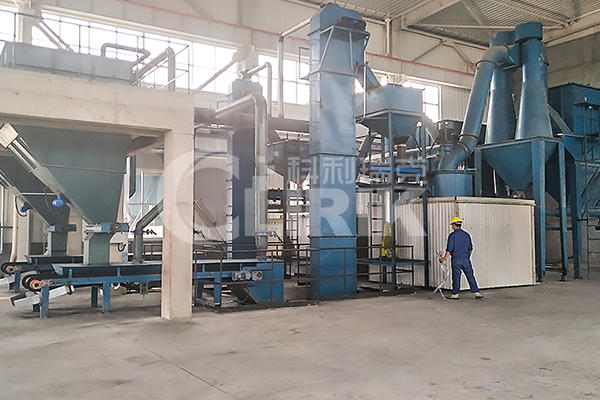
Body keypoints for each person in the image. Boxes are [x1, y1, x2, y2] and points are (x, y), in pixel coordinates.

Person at [438, 217, 484, 300]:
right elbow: (470, 249)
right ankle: (476, 292)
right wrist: (467, 257)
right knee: (470, 276)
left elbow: (449, 249)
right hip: (466, 259)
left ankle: (455, 294)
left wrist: (443, 258)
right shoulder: (467, 235)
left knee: (456, 277)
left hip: (456, 259)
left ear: (454, 225)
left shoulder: (452, 236)